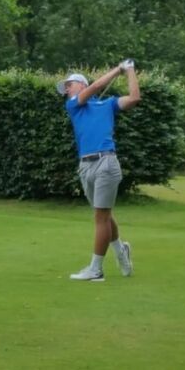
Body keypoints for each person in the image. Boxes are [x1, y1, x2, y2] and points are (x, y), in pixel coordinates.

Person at [57, 59, 140, 281]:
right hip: (85, 165)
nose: (66, 89)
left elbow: (134, 98)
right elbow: (95, 87)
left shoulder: (108, 104)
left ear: (81, 85)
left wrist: (129, 69)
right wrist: (117, 69)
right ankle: (120, 250)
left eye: (69, 84)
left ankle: (96, 269)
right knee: (104, 214)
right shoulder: (73, 105)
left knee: (100, 217)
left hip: (106, 163)